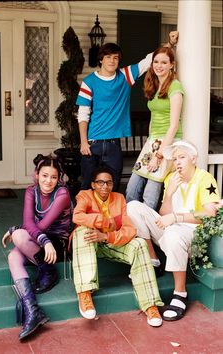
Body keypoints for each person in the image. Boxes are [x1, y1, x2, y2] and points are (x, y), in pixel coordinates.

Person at [127, 140, 220, 321]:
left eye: (182, 157)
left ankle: (180, 294)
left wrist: (177, 218)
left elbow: (210, 213)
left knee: (173, 233)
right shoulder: (171, 178)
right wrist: (169, 193)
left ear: (193, 158)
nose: (177, 162)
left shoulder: (204, 178)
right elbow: (163, 214)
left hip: (193, 234)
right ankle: (154, 260)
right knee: (133, 207)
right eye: (175, 158)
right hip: (171, 229)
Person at [76, 32, 179, 191]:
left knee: (113, 185)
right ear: (101, 59)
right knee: (87, 186)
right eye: (108, 57)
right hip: (92, 143)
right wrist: (83, 141)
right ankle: (82, 216)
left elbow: (149, 60)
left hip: (114, 144)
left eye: (116, 57)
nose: (112, 60)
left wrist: (170, 44)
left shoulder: (125, 76)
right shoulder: (89, 82)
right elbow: (83, 114)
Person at [71, 166, 164, 327]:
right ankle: (85, 292)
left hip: (111, 242)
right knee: (82, 231)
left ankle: (150, 304)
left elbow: (129, 229)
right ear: (93, 184)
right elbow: (77, 216)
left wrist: (107, 236)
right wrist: (104, 221)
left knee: (140, 243)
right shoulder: (84, 196)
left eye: (109, 183)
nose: (104, 186)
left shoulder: (119, 198)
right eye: (100, 182)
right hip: (90, 243)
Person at [2, 154, 73, 340]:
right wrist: (40, 239)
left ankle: (48, 272)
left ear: (59, 178)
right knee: (13, 257)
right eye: (44, 175)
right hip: (41, 240)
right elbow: (29, 222)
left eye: (53, 177)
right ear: (37, 175)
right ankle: (33, 311)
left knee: (18, 235)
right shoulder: (30, 191)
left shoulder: (62, 194)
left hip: (58, 241)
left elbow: (40, 226)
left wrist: (18, 230)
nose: (48, 181)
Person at [126, 46, 184, 210]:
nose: (159, 65)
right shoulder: (156, 85)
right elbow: (154, 115)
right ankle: (132, 228)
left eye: (164, 62)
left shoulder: (175, 87)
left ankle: (147, 232)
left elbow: (173, 126)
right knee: (131, 189)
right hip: (153, 142)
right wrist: (150, 143)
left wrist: (159, 155)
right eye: (156, 62)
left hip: (168, 143)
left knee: (150, 194)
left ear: (171, 65)